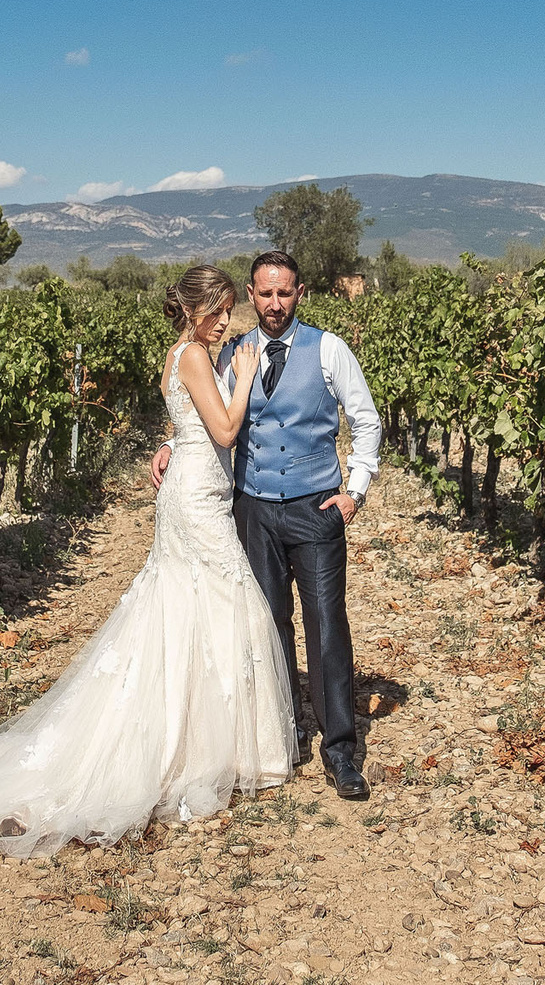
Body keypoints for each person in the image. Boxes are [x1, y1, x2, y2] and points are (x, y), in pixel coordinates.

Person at [0, 264, 294, 856]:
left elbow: (185, 424)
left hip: (199, 493)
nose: (226, 322)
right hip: (197, 502)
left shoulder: (185, 355)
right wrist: (243, 378)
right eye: (217, 311)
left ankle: (216, 746)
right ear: (193, 309)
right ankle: (222, 752)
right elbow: (221, 429)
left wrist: (169, 441)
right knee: (227, 609)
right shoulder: (195, 356)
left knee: (204, 613)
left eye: (228, 310)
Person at [153, 248, 382, 800]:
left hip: (315, 506)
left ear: (299, 294)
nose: (274, 303)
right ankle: (285, 731)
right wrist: (169, 443)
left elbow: (366, 420)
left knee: (327, 624)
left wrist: (354, 493)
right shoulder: (229, 351)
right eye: (264, 293)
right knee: (267, 621)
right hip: (252, 506)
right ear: (251, 295)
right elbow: (204, 416)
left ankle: (340, 750)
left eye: (284, 293)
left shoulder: (329, 348)